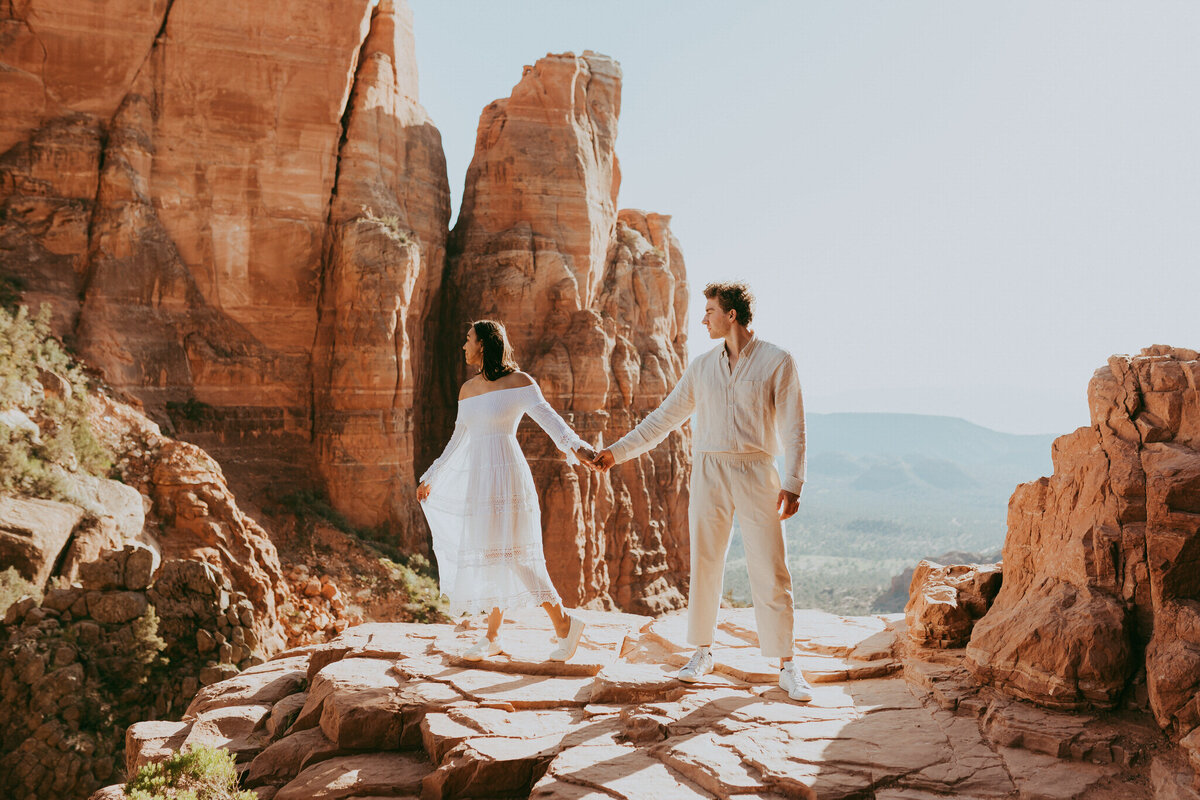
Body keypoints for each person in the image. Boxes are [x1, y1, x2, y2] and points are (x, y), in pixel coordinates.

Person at [589, 282, 813, 702]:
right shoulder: (701, 366)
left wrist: (793, 482)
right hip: (708, 469)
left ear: (732, 315)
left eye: (709, 310)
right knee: (706, 561)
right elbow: (662, 419)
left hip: (757, 469)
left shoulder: (777, 361)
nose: (703, 318)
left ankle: (787, 663)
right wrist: (616, 454)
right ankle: (702, 652)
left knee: (769, 565)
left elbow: (794, 427)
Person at [418, 320, 593, 662]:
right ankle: (494, 636)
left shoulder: (520, 382)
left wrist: (578, 448)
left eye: (467, 339)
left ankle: (565, 624)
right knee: (491, 554)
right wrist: (432, 475)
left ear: (483, 343)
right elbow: (458, 439)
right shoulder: (467, 389)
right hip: (480, 479)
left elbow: (551, 421)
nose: (463, 346)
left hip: (508, 475)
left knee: (514, 554)